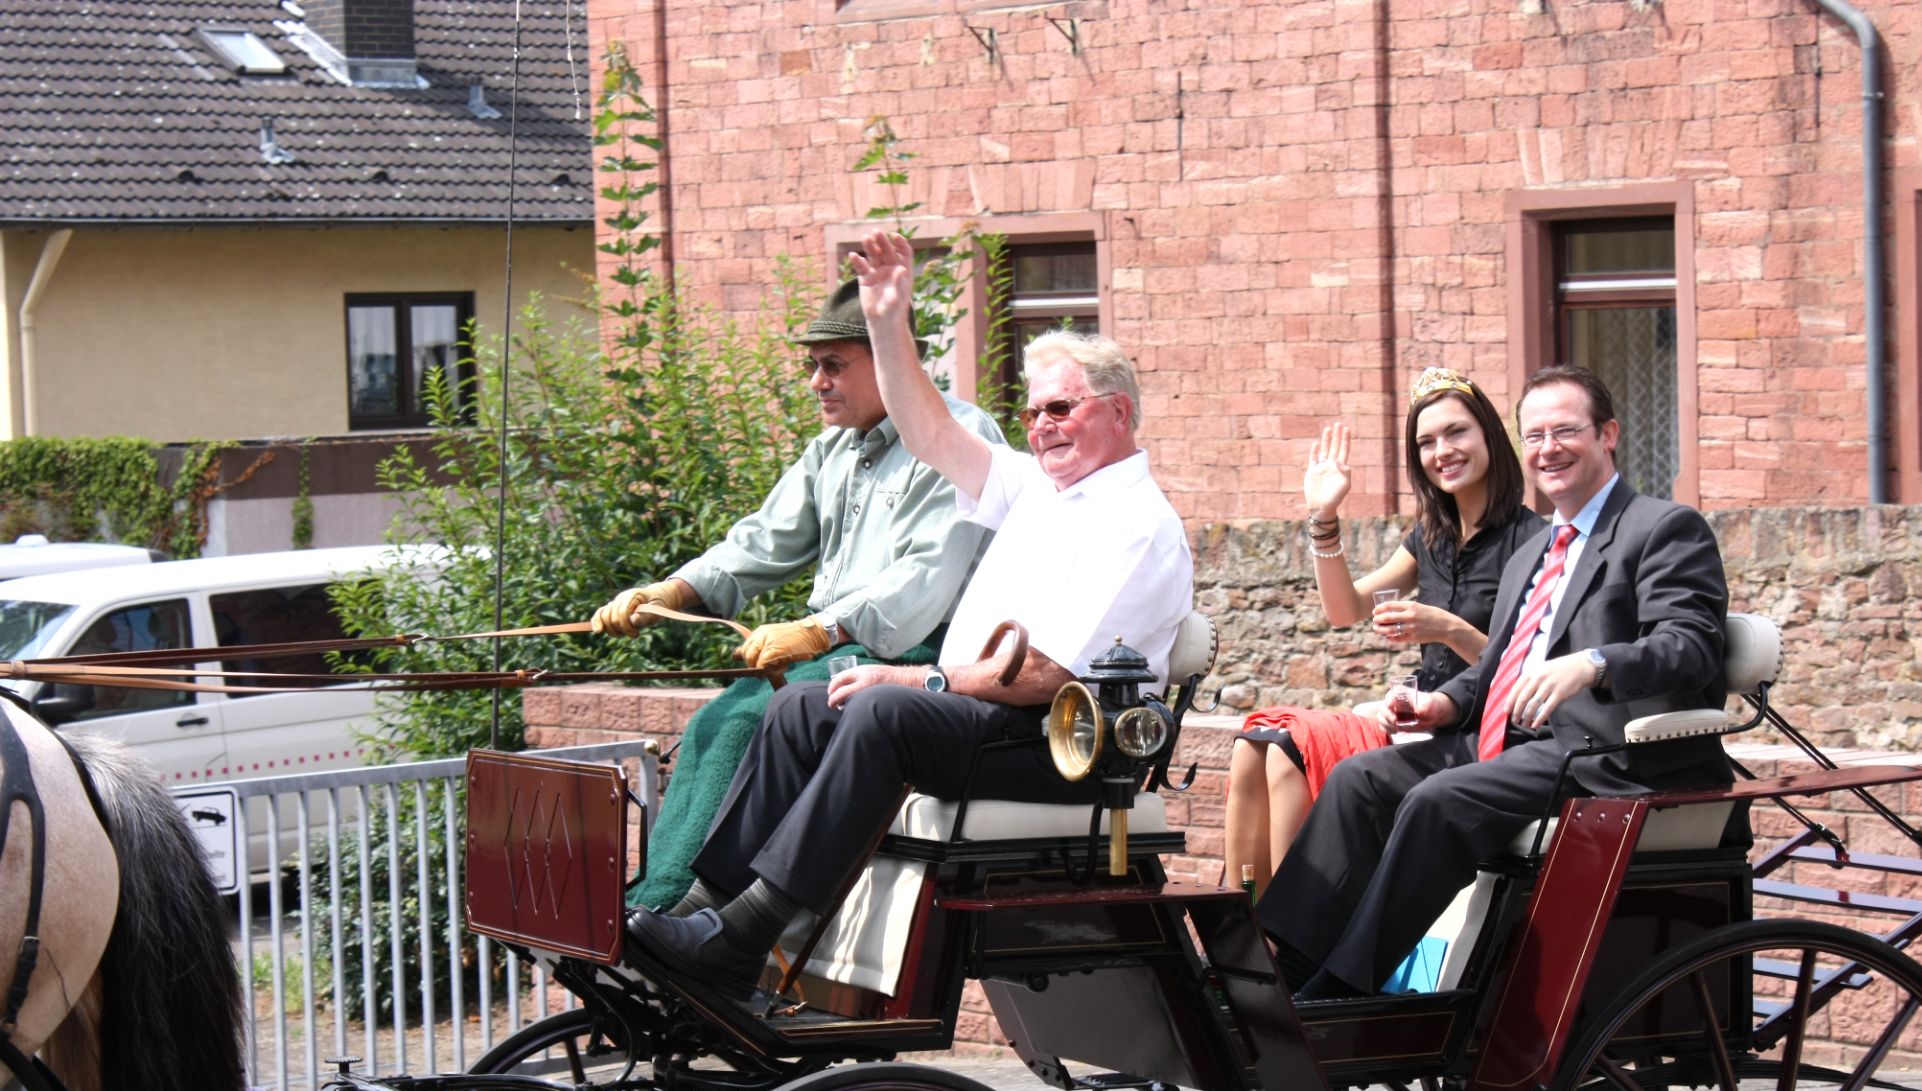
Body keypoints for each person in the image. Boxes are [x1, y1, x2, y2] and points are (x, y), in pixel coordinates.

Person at [625, 229, 1194, 996]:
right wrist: (887, 322)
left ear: (1118, 412)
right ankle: (703, 905)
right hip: (998, 720)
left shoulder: (1136, 522)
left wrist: (919, 679)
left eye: (1060, 408)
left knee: (882, 714)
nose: (1041, 425)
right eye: (1031, 413)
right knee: (798, 706)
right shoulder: (1043, 489)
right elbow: (928, 430)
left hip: (1066, 746)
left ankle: (744, 936)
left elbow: (1047, 674)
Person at [1260, 364, 1734, 1001]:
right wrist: (1440, 704)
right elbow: (1497, 665)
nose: (1549, 449)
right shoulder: (1533, 556)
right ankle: (1278, 971)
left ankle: (1342, 992)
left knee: (1437, 800)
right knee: (1359, 780)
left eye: (1565, 430)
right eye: (1535, 435)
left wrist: (1592, 664)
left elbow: (1692, 646)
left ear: (1609, 434)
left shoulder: (1661, 528)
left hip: (1607, 754)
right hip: (1518, 746)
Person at [589, 277, 1001, 909]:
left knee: (744, 723)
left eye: (833, 365)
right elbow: (761, 541)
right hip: (841, 649)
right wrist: (671, 590)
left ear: (895, 362)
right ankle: (659, 901)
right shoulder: (831, 449)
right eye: (813, 365)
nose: (816, 382)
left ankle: (684, 913)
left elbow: (923, 578)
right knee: (710, 723)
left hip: (915, 657)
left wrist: (820, 630)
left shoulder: (958, 436)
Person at [1225, 369, 1545, 894]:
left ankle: (1287, 936)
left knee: (1288, 751)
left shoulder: (1533, 542)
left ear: (1489, 434)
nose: (1443, 450)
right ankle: (1244, 926)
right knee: (1255, 743)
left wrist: (1446, 628)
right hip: (1412, 713)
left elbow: (1522, 672)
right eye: (1426, 441)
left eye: (1456, 432)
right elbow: (1344, 607)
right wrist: (1323, 516)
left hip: (1478, 732)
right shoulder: (1431, 537)